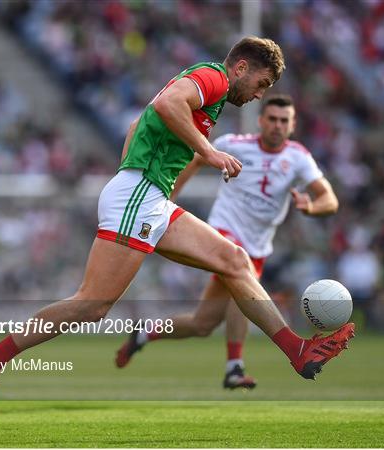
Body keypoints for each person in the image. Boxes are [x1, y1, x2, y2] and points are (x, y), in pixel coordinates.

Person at [0, 37, 354, 421]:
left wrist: (136, 170)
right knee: (92, 304)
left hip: (150, 197)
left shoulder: (209, 90)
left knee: (235, 261)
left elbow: (139, 122)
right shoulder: (214, 78)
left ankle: (297, 351)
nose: (259, 94)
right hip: (139, 195)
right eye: (262, 83)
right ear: (241, 68)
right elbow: (167, 105)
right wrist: (205, 152)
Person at [114, 95, 341, 389]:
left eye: (284, 121)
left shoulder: (298, 158)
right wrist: (166, 199)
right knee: (239, 269)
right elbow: (197, 157)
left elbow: (329, 199)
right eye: (272, 119)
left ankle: (144, 333)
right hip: (225, 233)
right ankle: (235, 367)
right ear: (261, 121)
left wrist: (311, 206)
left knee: (203, 324)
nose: (277, 125)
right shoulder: (235, 144)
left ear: (293, 124)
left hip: (259, 245)